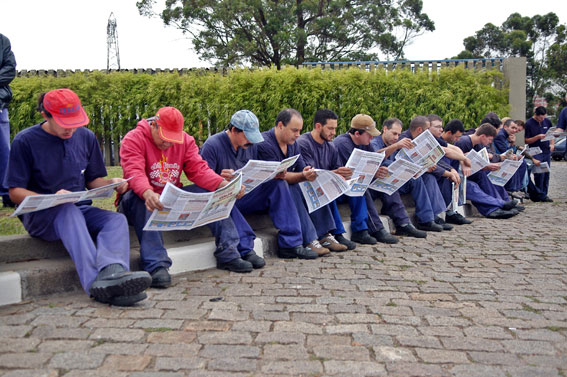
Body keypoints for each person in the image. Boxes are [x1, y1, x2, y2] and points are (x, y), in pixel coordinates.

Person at [4, 88, 151, 306]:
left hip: (79, 209)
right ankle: (95, 284)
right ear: (46, 115)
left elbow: (93, 181)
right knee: (67, 210)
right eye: (65, 122)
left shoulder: (86, 137)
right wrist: (52, 198)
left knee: (115, 219)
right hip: (41, 216)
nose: (71, 128)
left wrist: (112, 184)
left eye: (75, 121)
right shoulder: (25, 141)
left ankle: (114, 273)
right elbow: (14, 192)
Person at [118, 106, 256, 288]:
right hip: (139, 198)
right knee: (140, 200)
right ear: (153, 125)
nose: (168, 144)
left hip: (169, 198)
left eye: (172, 140)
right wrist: (147, 192)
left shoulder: (186, 141)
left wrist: (225, 186)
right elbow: (133, 171)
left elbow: (199, 170)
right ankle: (156, 265)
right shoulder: (133, 139)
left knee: (213, 193)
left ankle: (228, 253)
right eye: (164, 138)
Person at [200, 109, 313, 260]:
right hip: (225, 198)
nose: (251, 141)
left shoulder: (251, 146)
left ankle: (291, 244)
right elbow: (203, 179)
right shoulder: (212, 145)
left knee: (278, 184)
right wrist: (220, 180)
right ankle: (246, 248)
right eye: (247, 136)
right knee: (226, 198)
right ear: (234, 130)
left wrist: (272, 175)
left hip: (245, 194)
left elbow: (253, 173)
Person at [297, 109, 396, 248]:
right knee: (328, 189)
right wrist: (336, 172)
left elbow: (338, 169)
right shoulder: (304, 143)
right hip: (311, 188)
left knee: (356, 186)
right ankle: (337, 233)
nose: (333, 132)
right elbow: (311, 175)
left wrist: (345, 174)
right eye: (330, 128)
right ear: (318, 126)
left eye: (335, 128)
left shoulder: (330, 145)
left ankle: (360, 230)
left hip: (331, 187)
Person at [256, 108, 336, 258]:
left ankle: (324, 234)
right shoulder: (264, 143)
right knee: (289, 185)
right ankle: (309, 239)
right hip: (266, 192)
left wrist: (307, 171)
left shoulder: (292, 143)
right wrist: (302, 175)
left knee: (312, 183)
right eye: (294, 130)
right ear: (280, 125)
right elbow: (279, 177)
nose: (298, 135)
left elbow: (301, 167)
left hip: (282, 188)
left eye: (299, 130)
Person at [334, 115, 427, 239]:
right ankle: (375, 228)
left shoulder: (365, 142)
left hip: (356, 184)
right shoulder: (342, 143)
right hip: (344, 187)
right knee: (360, 187)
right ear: (357, 133)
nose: (372, 137)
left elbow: (374, 159)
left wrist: (379, 170)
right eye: (369, 134)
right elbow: (353, 172)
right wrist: (374, 172)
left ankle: (403, 223)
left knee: (385, 177)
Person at [373, 116, 448, 232]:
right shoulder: (376, 142)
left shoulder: (395, 142)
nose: (396, 137)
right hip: (378, 184)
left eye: (398, 134)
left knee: (416, 178)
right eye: (394, 134)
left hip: (396, 182)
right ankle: (403, 222)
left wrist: (419, 168)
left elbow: (401, 162)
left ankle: (426, 219)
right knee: (387, 166)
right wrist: (396, 146)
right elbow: (375, 157)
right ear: (385, 129)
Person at [453, 123, 522, 219]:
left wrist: (489, 166)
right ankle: (498, 205)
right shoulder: (463, 142)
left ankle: (499, 205)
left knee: (487, 177)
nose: (490, 142)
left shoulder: (477, 144)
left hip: (470, 174)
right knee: (473, 187)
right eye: (489, 139)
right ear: (483, 136)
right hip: (458, 176)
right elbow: (456, 162)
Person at [427, 116, 472, 225]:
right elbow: (444, 153)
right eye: (437, 127)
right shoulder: (426, 138)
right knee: (439, 176)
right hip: (427, 171)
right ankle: (441, 213)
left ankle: (452, 209)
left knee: (452, 169)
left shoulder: (436, 139)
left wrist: (462, 162)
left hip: (435, 168)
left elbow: (454, 149)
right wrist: (451, 170)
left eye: (441, 127)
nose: (441, 129)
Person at [524, 106, 554, 200]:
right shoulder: (529, 124)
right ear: (536, 115)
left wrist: (552, 144)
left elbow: (551, 133)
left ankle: (544, 194)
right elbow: (526, 140)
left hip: (546, 150)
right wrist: (537, 137)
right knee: (539, 174)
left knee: (546, 173)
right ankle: (539, 194)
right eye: (540, 117)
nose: (542, 119)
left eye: (544, 117)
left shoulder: (547, 121)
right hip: (536, 151)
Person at [0, 33, 16, 208]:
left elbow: (10, 70)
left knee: (3, 152)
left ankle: (7, 194)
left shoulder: (3, 41)